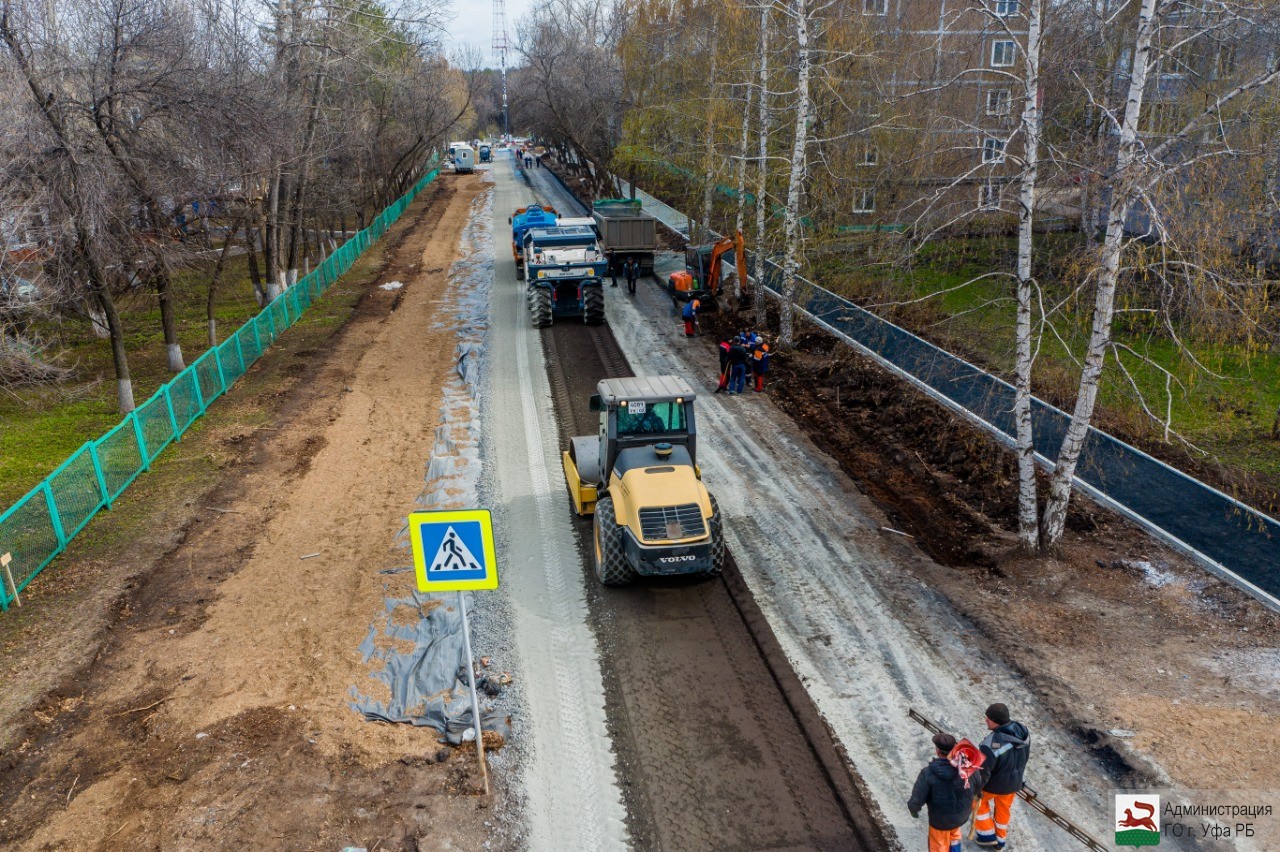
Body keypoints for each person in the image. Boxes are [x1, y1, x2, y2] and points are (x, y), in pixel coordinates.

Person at [974, 703, 1031, 850]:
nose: (986, 720)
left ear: (996, 721)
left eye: (989, 718)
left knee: (976, 803)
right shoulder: (1023, 731)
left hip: (994, 786)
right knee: (1003, 810)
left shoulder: (991, 744)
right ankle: (1000, 840)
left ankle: (987, 836)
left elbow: (984, 772)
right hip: (1014, 784)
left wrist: (977, 789)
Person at [908, 733, 975, 852]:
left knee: (939, 845)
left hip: (939, 821)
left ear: (937, 751)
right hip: (960, 815)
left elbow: (917, 799)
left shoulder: (928, 773)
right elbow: (978, 783)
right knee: (954, 837)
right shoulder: (966, 766)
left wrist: (914, 810)